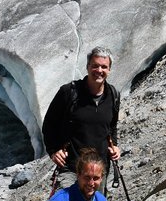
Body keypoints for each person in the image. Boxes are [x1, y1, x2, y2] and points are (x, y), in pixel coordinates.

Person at [42, 47, 122, 185]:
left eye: (104, 67)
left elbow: (111, 126)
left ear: (109, 70)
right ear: (87, 67)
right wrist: (53, 150)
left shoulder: (113, 95)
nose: (99, 70)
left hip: (99, 169)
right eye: (95, 66)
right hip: (72, 168)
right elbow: (49, 124)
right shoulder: (69, 92)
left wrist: (114, 146)